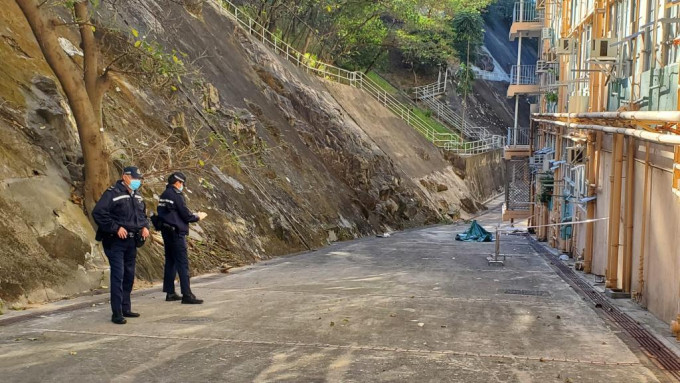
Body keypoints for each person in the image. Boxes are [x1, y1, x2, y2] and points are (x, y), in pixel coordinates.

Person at [92, 166, 150, 324]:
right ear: (125, 177)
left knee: (129, 276)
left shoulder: (137, 196)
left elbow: (143, 215)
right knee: (119, 275)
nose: (137, 181)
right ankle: (116, 313)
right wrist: (116, 228)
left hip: (132, 241)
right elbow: (98, 213)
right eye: (134, 178)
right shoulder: (113, 193)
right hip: (115, 241)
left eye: (139, 179)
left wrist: (145, 227)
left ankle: (126, 308)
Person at [157, 172, 207, 304]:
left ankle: (170, 292)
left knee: (171, 262)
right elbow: (185, 215)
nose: (182, 186)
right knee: (182, 264)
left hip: (166, 232)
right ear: (178, 182)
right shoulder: (176, 195)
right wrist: (197, 216)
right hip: (176, 233)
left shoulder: (164, 194)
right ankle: (187, 294)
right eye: (182, 183)